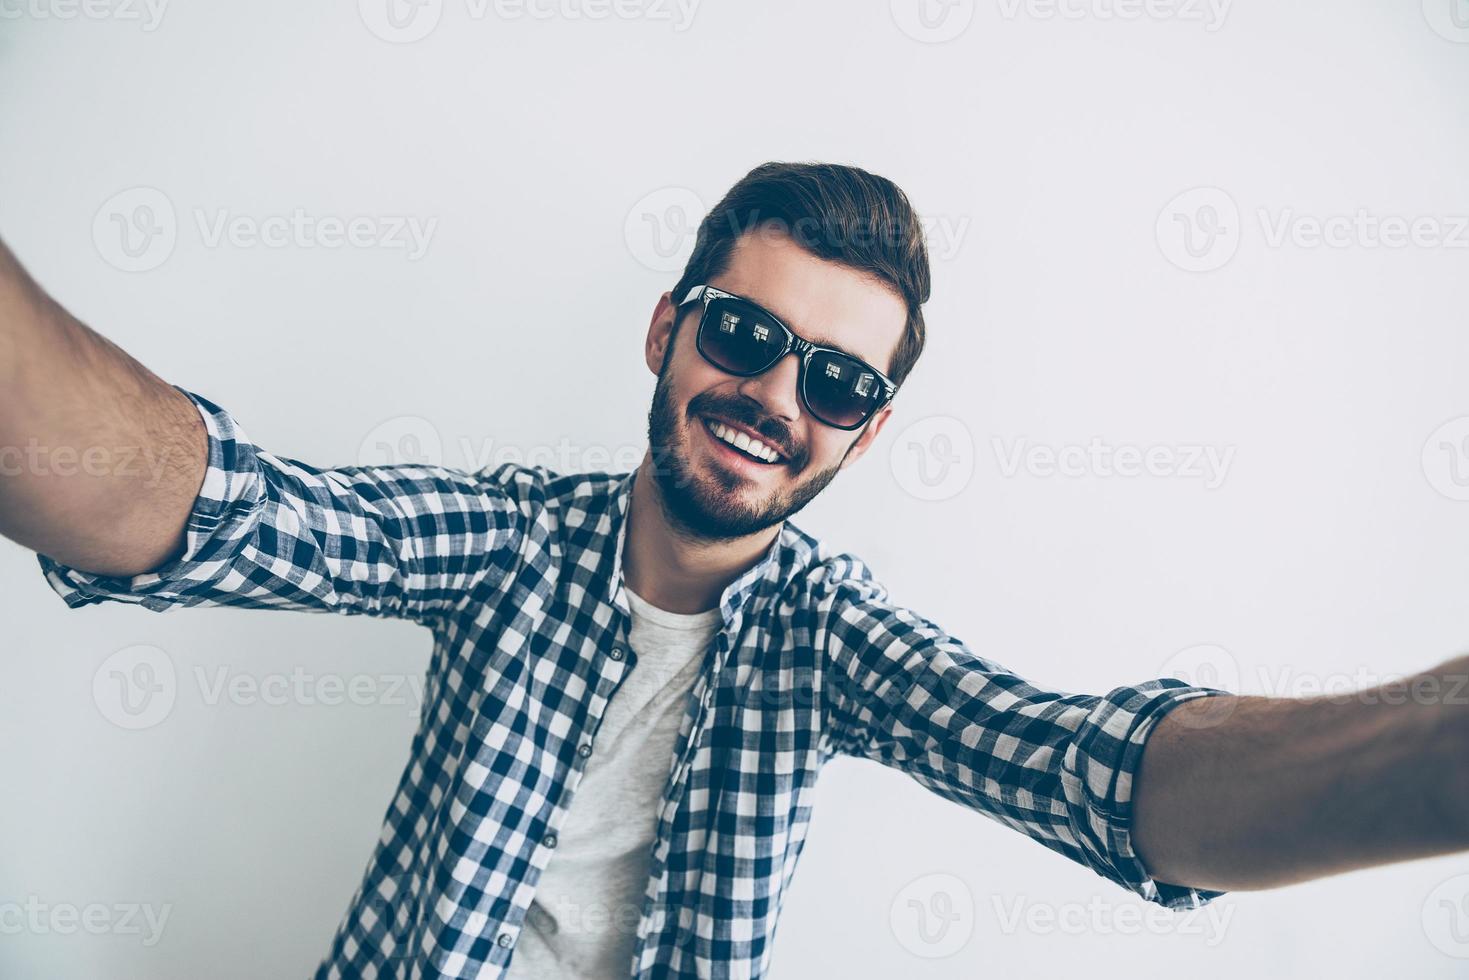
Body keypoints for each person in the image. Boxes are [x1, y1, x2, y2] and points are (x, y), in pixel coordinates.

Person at [2, 161, 1465, 980]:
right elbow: (209, 514)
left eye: (832, 381)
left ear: (865, 433)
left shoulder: (831, 641)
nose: (775, 394)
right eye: (746, 336)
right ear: (666, 331)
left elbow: (1095, 775)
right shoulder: (510, 540)